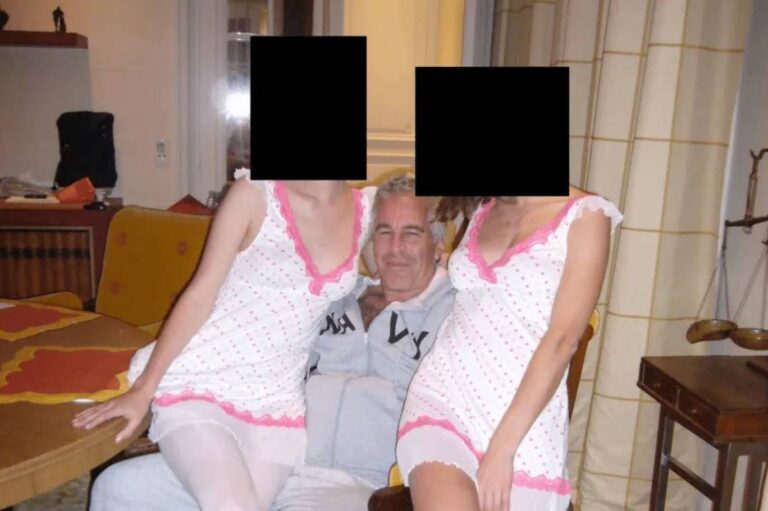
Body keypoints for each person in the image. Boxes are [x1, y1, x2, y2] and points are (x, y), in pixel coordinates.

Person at [88, 175, 456, 511]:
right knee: (118, 487)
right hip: (283, 455)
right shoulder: (337, 294)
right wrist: (145, 388)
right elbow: (213, 299)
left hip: (354, 483)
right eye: (384, 232)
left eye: (412, 234)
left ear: (439, 244)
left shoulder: (451, 314)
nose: (395, 248)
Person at [396, 190, 622, 511]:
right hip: (443, 397)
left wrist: (502, 449)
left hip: (523, 421)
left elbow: (563, 340)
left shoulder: (586, 215)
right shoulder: (483, 207)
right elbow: (482, 289)